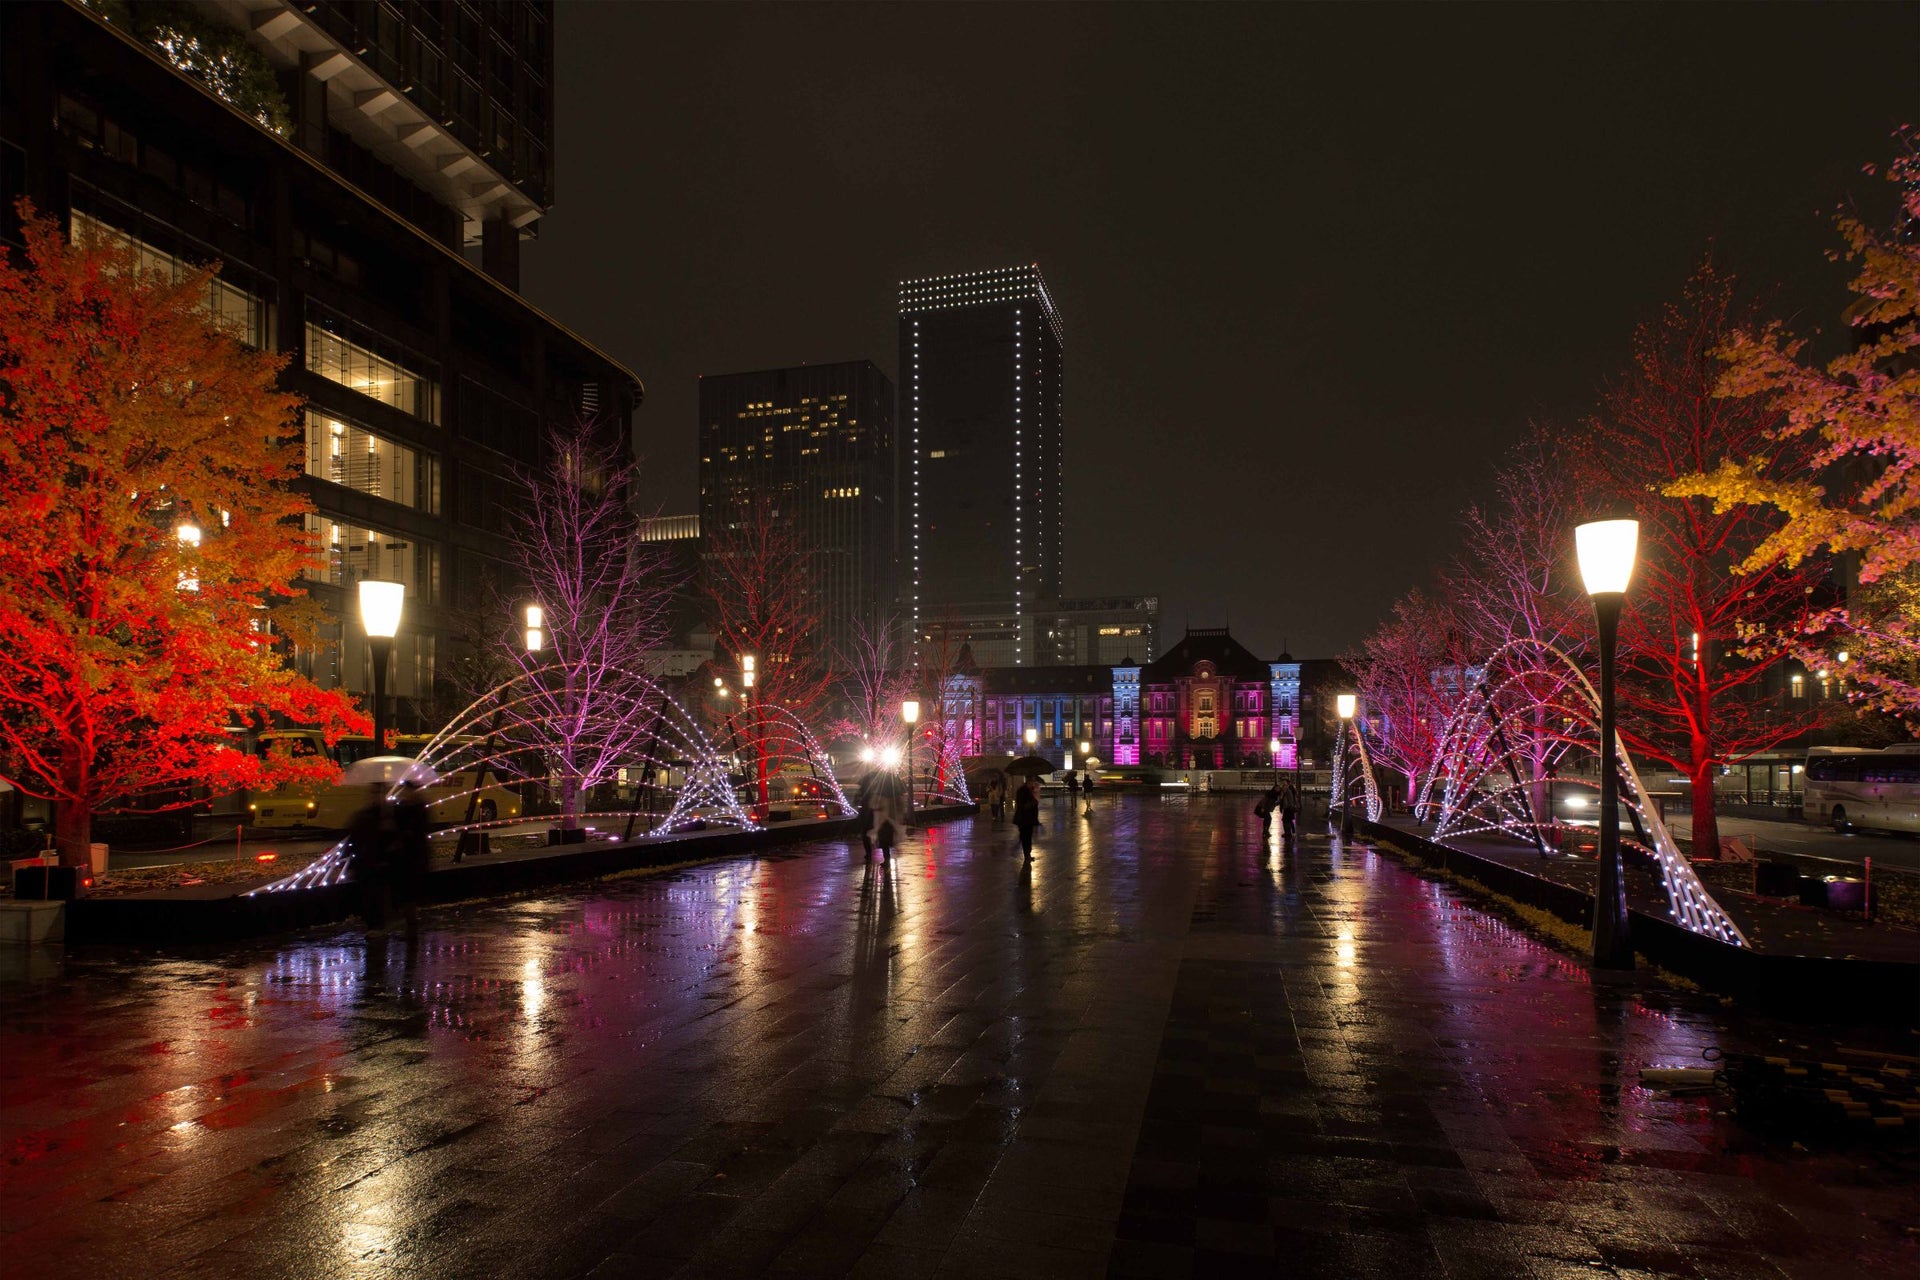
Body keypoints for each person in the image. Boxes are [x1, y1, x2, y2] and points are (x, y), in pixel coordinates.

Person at [346, 783, 393, 932]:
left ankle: (378, 926)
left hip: (378, 863)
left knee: (377, 897)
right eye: (374, 793)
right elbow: (354, 839)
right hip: (367, 862)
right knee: (370, 897)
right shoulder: (366, 815)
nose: (375, 797)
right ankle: (375, 925)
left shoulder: (388, 816)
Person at [391, 779, 431, 941]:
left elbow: (419, 832)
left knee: (409, 894)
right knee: (406, 893)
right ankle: (409, 924)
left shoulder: (418, 809)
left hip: (412, 858)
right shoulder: (403, 807)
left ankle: (411, 926)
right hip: (406, 858)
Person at [1013, 776, 1041, 861]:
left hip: (1029, 819)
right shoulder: (1022, 791)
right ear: (1028, 781)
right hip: (1023, 819)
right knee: (1025, 838)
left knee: (1028, 837)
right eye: (1032, 781)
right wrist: (1034, 802)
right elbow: (1022, 806)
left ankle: (1028, 855)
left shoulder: (1031, 790)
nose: (1033, 783)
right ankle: (1027, 856)